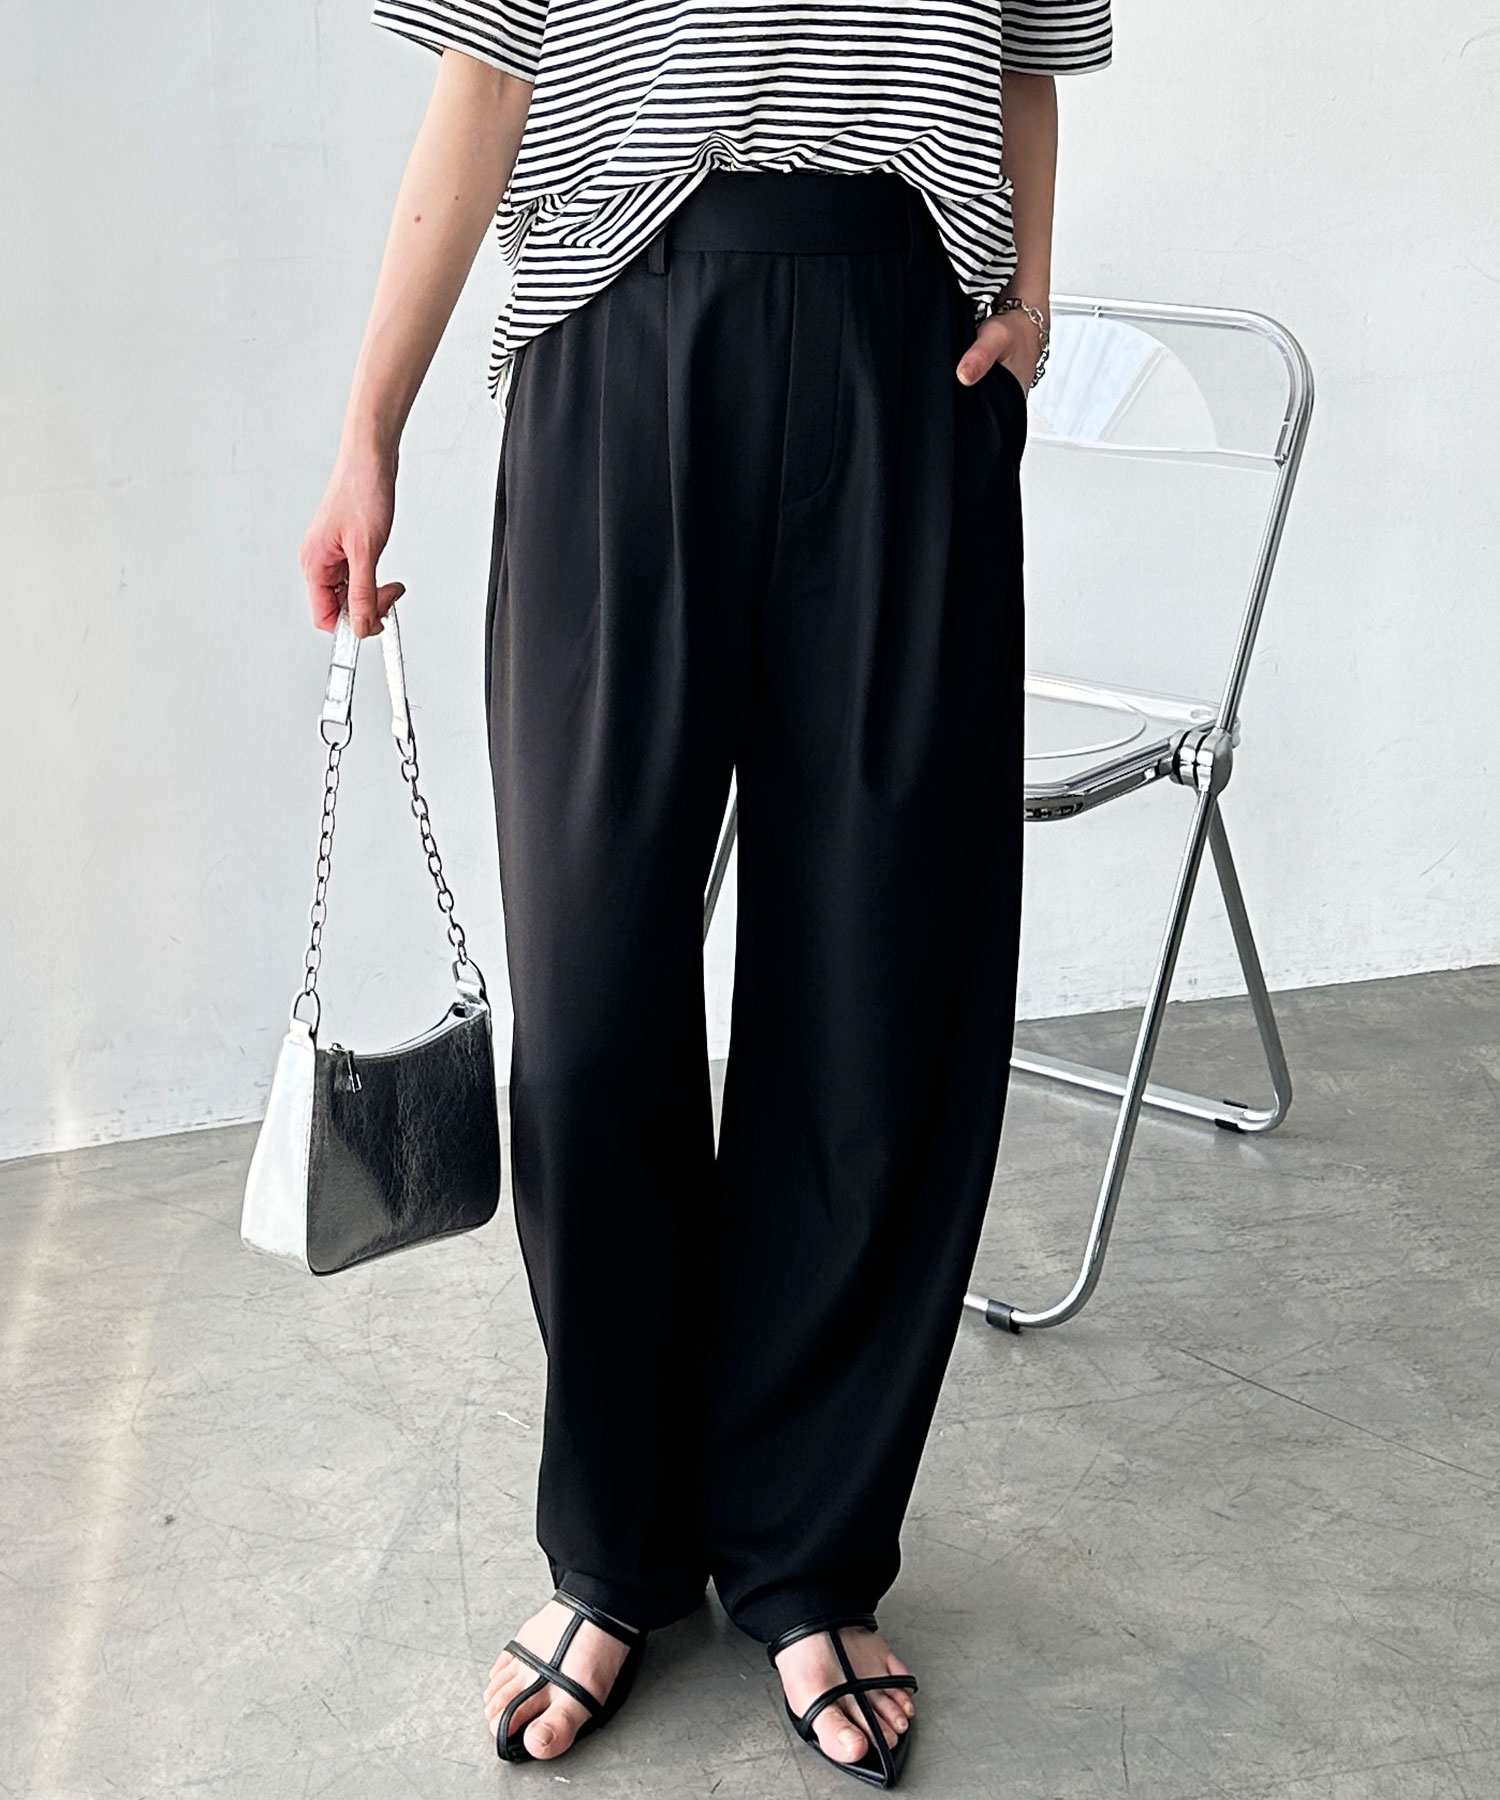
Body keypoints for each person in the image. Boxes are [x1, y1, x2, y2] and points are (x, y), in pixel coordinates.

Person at [299, 0, 1111, 1786]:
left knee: (879, 990)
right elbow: (489, 74)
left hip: (911, 355)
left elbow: (1029, 55)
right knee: (592, 1003)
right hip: (615, 344)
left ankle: (810, 1554)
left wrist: (1029, 303)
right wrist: (371, 430)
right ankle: (615, 1549)